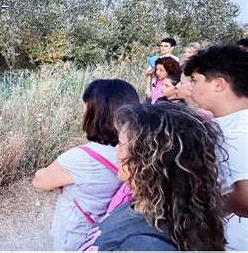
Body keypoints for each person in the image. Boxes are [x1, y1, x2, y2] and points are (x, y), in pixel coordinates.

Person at [79, 102, 227, 251]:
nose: (117, 150)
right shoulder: (139, 205)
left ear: (148, 164)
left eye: (122, 145)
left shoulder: (147, 245)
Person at [32, 79, 139, 251]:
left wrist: (60, 185)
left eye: (86, 104)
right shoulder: (137, 150)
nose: (83, 110)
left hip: (76, 237)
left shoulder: (81, 158)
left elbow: (40, 181)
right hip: (109, 233)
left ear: (97, 112)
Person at [184, 44, 248, 250]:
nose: (191, 87)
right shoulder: (226, 125)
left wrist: (199, 203)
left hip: (234, 242)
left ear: (219, 85)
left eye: (195, 80)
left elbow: (246, 199)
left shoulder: (237, 132)